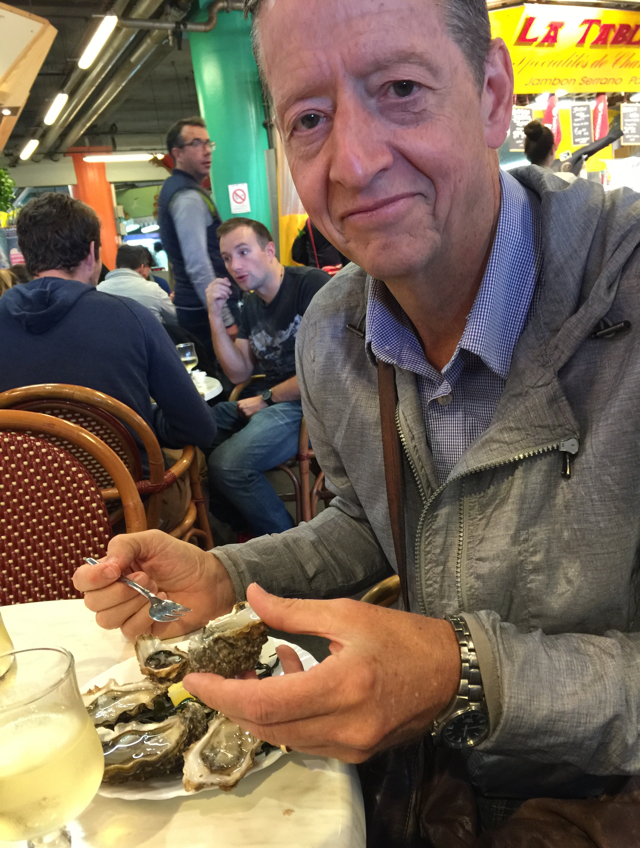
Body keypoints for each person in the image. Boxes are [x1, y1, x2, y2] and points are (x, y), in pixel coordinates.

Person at [75, 0, 640, 843]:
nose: (355, 161)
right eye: (309, 118)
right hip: (431, 799)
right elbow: (368, 523)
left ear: (492, 93)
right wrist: (225, 575)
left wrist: (462, 675)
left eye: (402, 88)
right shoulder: (336, 331)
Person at [0, 193, 217, 473]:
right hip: (130, 495)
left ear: (26, 253)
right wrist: (140, 422)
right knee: (198, 466)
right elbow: (199, 428)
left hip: (29, 495)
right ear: (92, 252)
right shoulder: (132, 317)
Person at [206, 217, 329, 537]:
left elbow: (325, 368)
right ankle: (245, 524)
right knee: (200, 428)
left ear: (270, 250)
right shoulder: (250, 303)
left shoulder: (310, 285)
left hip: (311, 406)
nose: (235, 265)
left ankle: (289, 545)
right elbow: (239, 371)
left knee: (228, 465)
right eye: (227, 258)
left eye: (243, 252)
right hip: (271, 401)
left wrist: (265, 399)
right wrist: (215, 315)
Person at [157, 116, 241, 356]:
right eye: (196, 143)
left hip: (199, 308)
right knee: (225, 375)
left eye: (208, 143)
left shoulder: (182, 189)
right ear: (177, 153)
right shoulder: (187, 196)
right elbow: (198, 264)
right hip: (205, 313)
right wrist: (225, 320)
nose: (206, 151)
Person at [97, 243, 177, 324]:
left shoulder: (98, 290)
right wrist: (167, 302)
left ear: (116, 266)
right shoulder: (154, 290)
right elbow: (176, 319)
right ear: (142, 267)